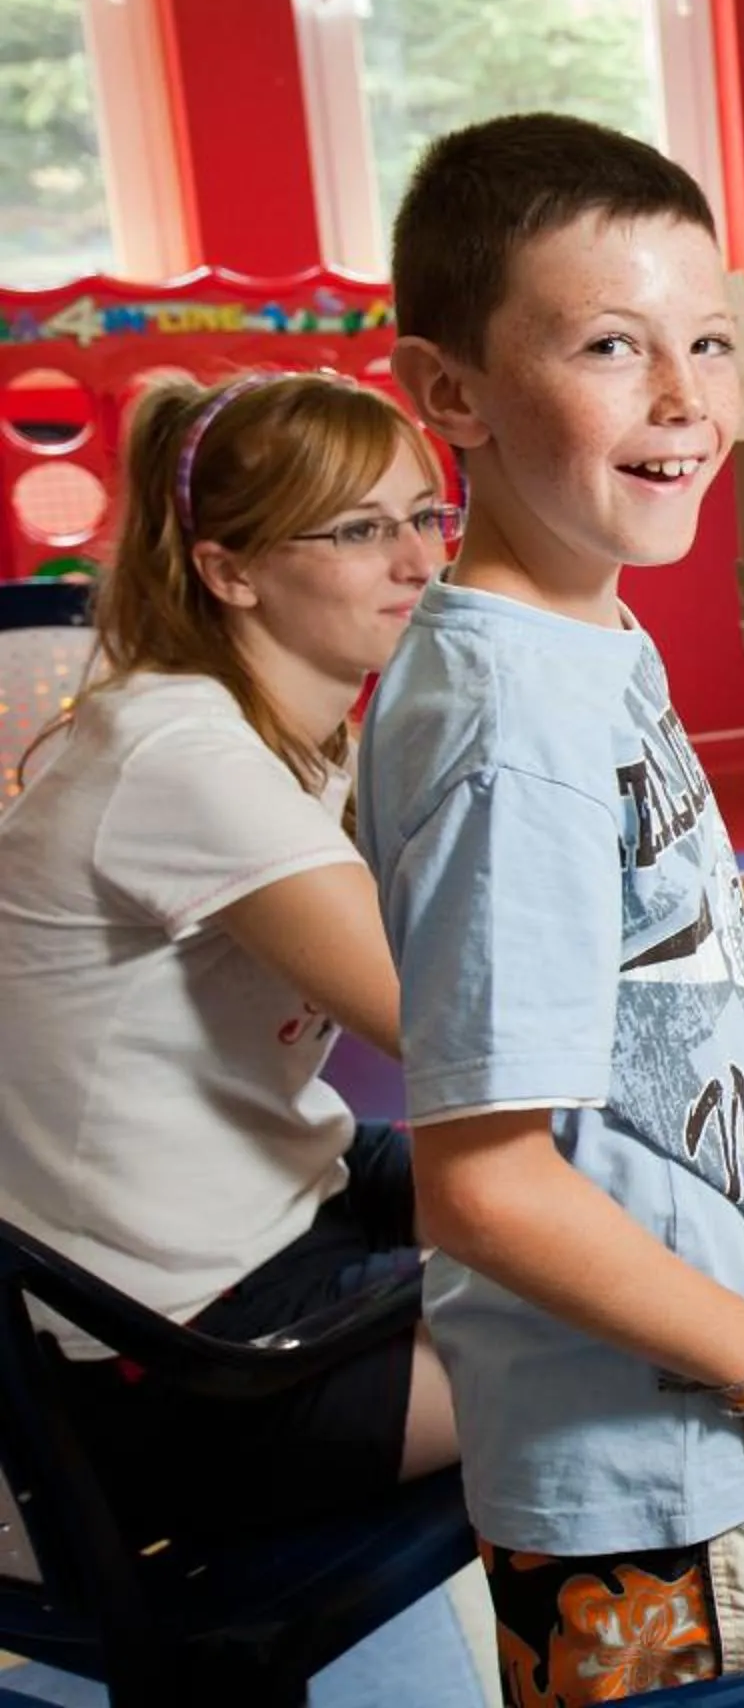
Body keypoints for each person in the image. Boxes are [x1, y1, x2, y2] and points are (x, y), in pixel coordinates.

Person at [358, 113, 744, 1703]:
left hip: (691, 1397)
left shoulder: (584, 635)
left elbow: (618, 1015)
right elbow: (485, 1190)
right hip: (644, 1464)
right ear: (450, 393)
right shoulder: (508, 726)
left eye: (709, 341)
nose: (687, 401)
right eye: (612, 346)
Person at [0, 370, 461, 1540]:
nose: (419, 560)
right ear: (229, 569)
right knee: (658, 1328)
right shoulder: (183, 757)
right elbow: (466, 1028)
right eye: (362, 529)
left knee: (617, 1196)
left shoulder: (293, 729)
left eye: (426, 513)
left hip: (280, 1196)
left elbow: (463, 923)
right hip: (169, 1357)